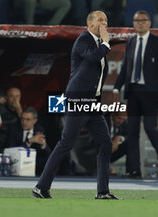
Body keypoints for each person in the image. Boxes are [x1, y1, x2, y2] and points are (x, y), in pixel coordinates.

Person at [33, 11, 119, 199]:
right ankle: (41, 187)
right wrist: (106, 42)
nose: (104, 23)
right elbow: (93, 57)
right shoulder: (83, 40)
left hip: (92, 103)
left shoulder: (99, 44)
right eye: (99, 20)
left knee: (105, 143)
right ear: (89, 23)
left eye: (106, 20)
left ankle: (103, 191)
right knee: (66, 143)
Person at [113, 10, 158, 179]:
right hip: (132, 91)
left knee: (149, 127)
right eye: (136, 21)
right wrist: (117, 88)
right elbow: (125, 68)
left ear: (149, 23)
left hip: (151, 93)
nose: (139, 23)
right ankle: (134, 170)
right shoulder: (130, 42)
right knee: (131, 130)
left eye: (142, 20)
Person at [6, 107, 51, 175]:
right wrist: (29, 141)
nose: (24, 122)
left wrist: (43, 145)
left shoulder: (40, 129)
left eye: (28, 120)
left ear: (34, 120)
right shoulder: (14, 130)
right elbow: (11, 150)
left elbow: (48, 154)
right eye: (22, 119)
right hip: (17, 164)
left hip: (34, 165)